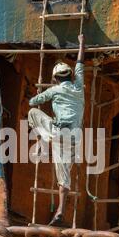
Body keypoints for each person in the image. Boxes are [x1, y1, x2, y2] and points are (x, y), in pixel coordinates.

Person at [28, 34, 85, 226]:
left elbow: (33, 102)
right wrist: (81, 43)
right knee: (64, 174)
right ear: (71, 76)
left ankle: (45, 138)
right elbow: (80, 62)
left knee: (33, 113)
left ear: (55, 78)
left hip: (58, 133)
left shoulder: (55, 89)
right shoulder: (79, 88)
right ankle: (61, 210)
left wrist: (46, 91)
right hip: (75, 136)